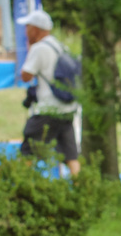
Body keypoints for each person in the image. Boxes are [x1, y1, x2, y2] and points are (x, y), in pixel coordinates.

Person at [17, 9, 80, 175]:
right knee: (70, 155)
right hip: (67, 108)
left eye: (27, 27)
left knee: (28, 151)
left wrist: (30, 48)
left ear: (36, 29)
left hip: (47, 110)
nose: (25, 32)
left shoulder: (39, 48)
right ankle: (83, 187)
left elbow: (25, 75)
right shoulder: (60, 46)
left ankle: (18, 185)